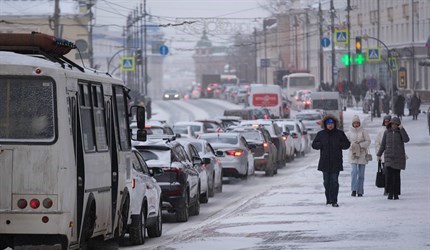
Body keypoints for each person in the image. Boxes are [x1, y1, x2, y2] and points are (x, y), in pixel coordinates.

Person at [312, 115, 351, 207]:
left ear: (335, 124)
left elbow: (347, 144)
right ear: (325, 125)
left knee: (334, 181)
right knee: (326, 182)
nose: (330, 125)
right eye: (328, 124)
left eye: (332, 124)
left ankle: (334, 200)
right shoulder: (321, 134)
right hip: (324, 162)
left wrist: (340, 144)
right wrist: (320, 145)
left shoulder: (339, 134)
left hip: (336, 162)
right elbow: (314, 145)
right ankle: (328, 199)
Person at [377, 117, 409, 200]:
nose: (394, 125)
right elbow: (383, 144)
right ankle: (390, 193)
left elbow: (406, 139)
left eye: (396, 124)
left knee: (396, 176)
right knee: (389, 176)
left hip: (398, 157)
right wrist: (379, 155)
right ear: (390, 124)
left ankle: (396, 193)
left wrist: (402, 129)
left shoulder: (400, 132)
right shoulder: (386, 132)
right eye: (393, 124)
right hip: (389, 157)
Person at [346, 115, 371, 197]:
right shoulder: (349, 133)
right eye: (354, 123)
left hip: (362, 154)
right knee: (354, 172)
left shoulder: (364, 131)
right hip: (353, 155)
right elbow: (346, 143)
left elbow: (368, 141)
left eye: (357, 123)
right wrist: (352, 146)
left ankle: (360, 191)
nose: (356, 124)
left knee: (361, 174)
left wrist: (360, 145)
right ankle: (353, 189)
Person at [375, 115, 392, 195]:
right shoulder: (381, 131)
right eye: (385, 121)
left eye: (388, 121)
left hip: (393, 156)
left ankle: (393, 188)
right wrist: (379, 154)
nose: (386, 123)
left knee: (393, 173)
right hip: (384, 156)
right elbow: (377, 143)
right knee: (385, 173)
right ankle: (386, 188)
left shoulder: (393, 130)